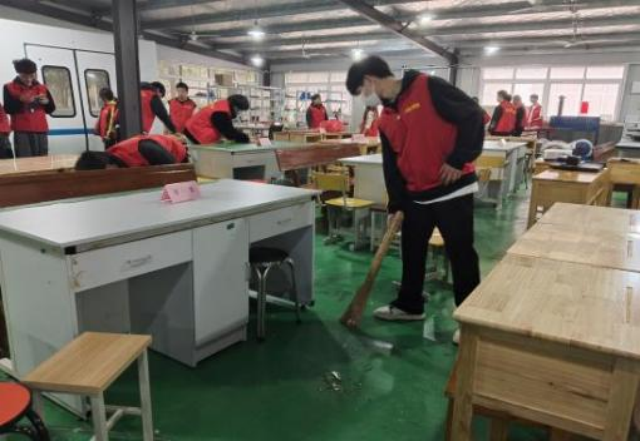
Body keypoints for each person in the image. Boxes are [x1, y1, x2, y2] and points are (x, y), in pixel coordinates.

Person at [346, 56, 483, 344]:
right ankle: (410, 305)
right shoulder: (385, 119)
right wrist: (396, 203)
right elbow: (392, 166)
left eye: (361, 92)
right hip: (416, 195)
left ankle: (470, 321)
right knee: (411, 251)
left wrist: (459, 159)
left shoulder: (428, 87)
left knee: (460, 254)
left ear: (370, 80)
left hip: (452, 188)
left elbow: (473, 115)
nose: (364, 98)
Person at [3, 58, 56, 157]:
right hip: (22, 131)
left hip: (41, 130)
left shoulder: (42, 88)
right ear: (18, 73)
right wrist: (21, 100)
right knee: (25, 161)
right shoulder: (9, 87)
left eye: (32, 75)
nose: (29, 79)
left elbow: (51, 109)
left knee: (43, 160)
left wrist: (46, 103)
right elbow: (8, 109)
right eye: (24, 76)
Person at [75, 134, 188, 170]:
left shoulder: (144, 149)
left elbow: (175, 170)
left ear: (108, 165)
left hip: (176, 154)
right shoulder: (112, 156)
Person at [184, 94, 250, 144]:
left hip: (192, 129)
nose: (238, 113)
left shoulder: (222, 105)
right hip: (195, 131)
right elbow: (229, 132)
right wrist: (245, 138)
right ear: (235, 106)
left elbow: (227, 129)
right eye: (239, 110)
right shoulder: (221, 112)